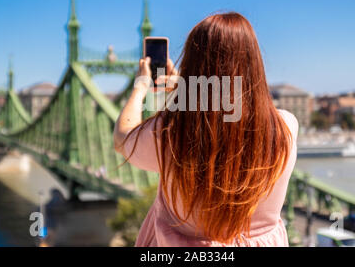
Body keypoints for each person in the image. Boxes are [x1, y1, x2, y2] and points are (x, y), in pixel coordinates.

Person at [113, 12, 298, 247]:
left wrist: (141, 86)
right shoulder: (287, 127)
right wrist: (184, 86)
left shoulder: (170, 134)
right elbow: (228, 110)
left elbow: (122, 138)